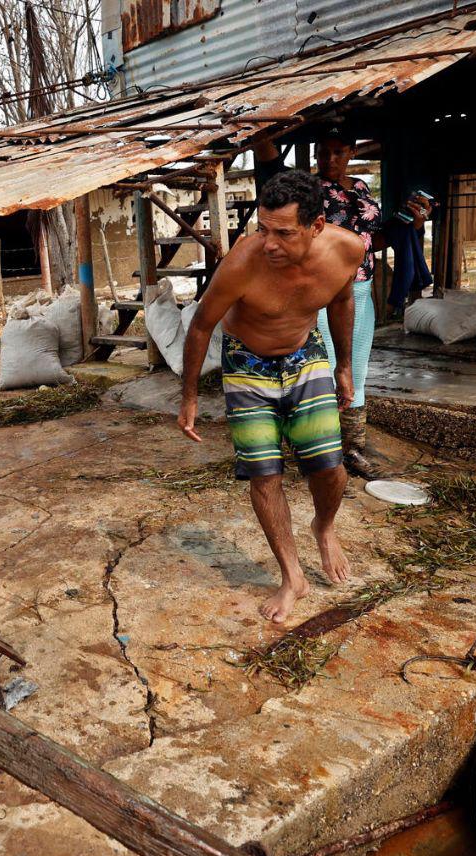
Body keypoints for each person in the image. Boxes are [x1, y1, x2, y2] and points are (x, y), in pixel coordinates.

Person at [177, 172, 364, 624]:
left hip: (305, 354)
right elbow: (201, 325)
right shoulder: (243, 261)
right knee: (264, 473)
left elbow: (341, 301)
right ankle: (292, 576)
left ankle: (324, 527)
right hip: (247, 362)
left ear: (316, 226)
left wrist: (343, 366)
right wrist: (189, 397)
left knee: (330, 466)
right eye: (263, 229)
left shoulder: (347, 249)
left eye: (283, 233)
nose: (270, 244)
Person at [254, 127, 430, 478]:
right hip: (320, 292)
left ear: (352, 152)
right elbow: (271, 171)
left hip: (360, 289)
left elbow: (371, 241)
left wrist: (411, 223)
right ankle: (317, 450)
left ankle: (352, 448)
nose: (330, 159)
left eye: (338, 152)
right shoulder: (307, 191)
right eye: (324, 152)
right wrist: (261, 138)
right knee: (321, 369)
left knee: (355, 370)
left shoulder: (362, 189)